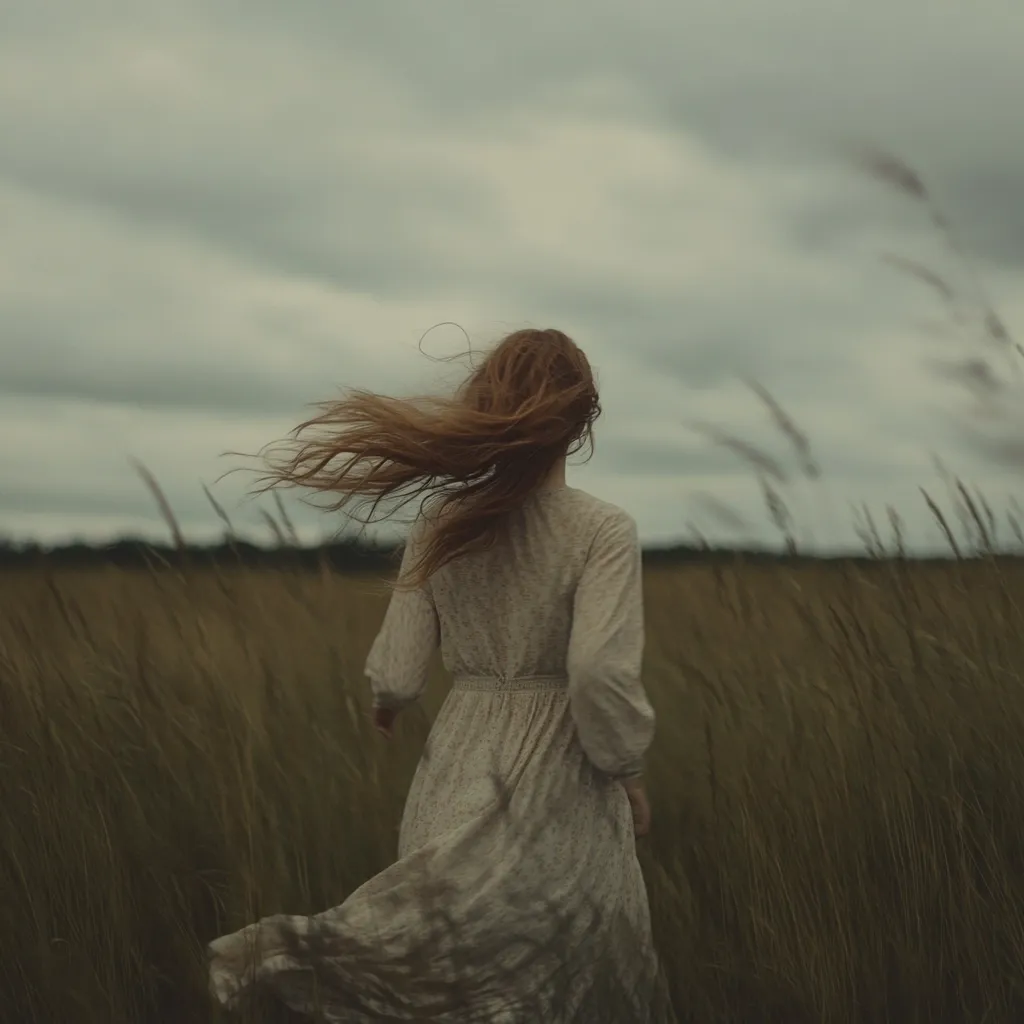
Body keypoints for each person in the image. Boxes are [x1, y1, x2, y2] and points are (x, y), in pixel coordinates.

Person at [207, 328, 674, 1021]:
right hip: (564, 776)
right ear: (581, 423)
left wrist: (389, 701)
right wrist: (627, 768)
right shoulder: (602, 530)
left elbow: (398, 665)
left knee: (442, 964)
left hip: (456, 764)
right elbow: (597, 672)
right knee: (572, 968)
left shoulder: (440, 522)